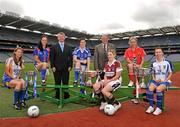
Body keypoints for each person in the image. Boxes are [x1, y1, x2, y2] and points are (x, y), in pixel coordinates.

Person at [146, 48, 173, 115]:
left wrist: (165, 80)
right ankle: (151, 106)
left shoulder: (167, 62)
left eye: (159, 52)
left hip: (165, 81)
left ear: (162, 53)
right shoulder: (153, 63)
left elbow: (170, 72)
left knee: (158, 89)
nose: (158, 53)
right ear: (155, 54)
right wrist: (154, 79)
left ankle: (159, 108)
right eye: (156, 52)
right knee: (150, 88)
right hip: (156, 81)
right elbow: (152, 73)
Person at [50, 32, 73, 99]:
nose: (61, 38)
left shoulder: (68, 47)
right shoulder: (53, 47)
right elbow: (52, 57)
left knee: (65, 82)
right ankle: (57, 95)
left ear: (64, 37)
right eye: (60, 37)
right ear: (57, 38)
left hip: (66, 68)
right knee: (57, 82)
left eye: (62, 37)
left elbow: (70, 58)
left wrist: (70, 66)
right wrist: (52, 66)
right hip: (57, 68)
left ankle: (66, 95)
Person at [124, 36, 146, 104]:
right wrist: (133, 64)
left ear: (136, 42)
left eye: (134, 42)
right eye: (131, 42)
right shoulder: (127, 50)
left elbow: (143, 59)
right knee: (134, 81)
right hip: (131, 67)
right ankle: (131, 81)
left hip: (138, 67)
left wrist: (140, 66)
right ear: (129, 43)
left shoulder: (141, 49)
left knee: (137, 83)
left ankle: (136, 96)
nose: (133, 43)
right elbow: (127, 59)